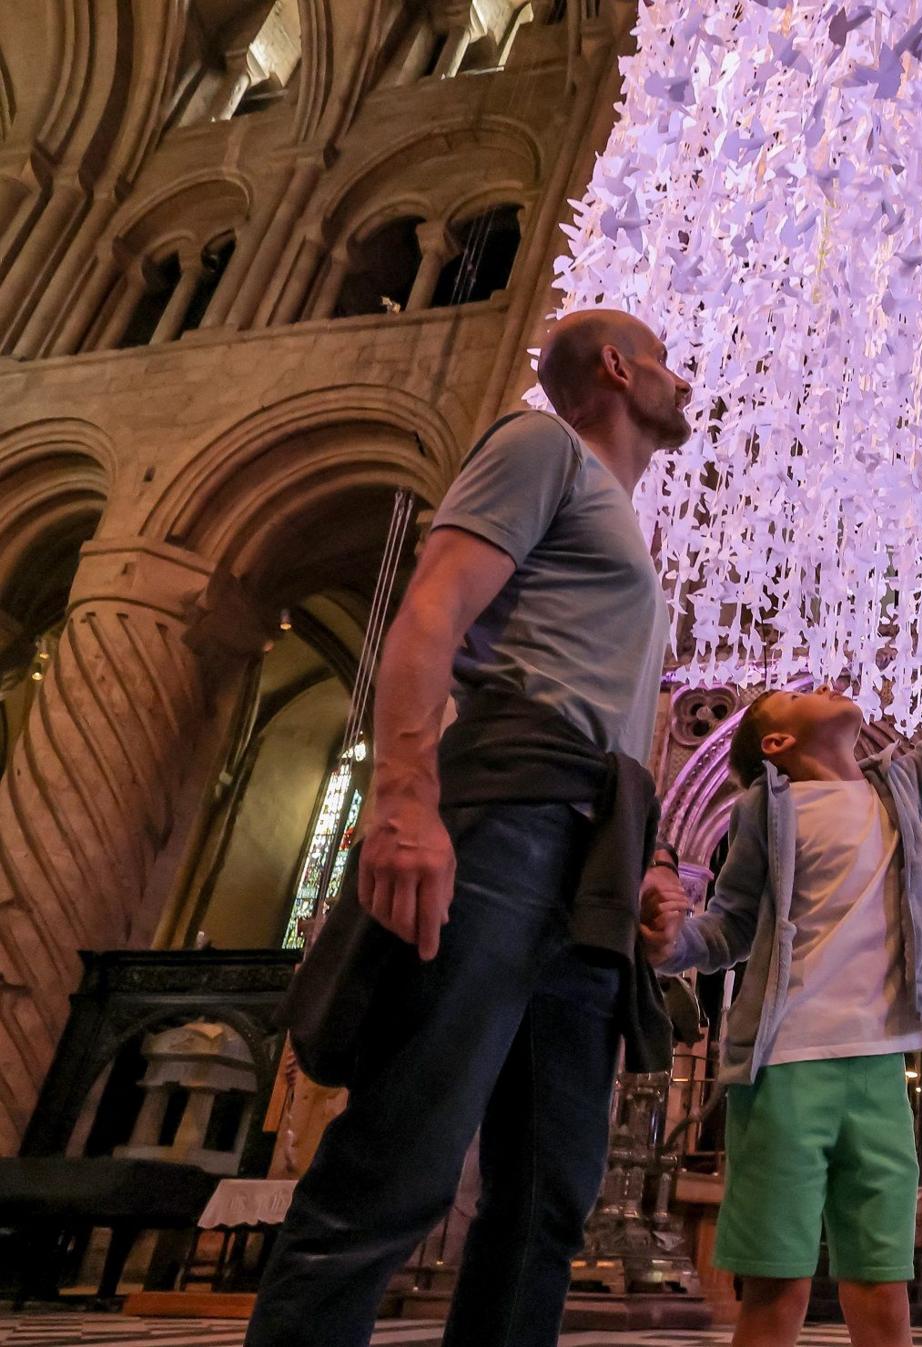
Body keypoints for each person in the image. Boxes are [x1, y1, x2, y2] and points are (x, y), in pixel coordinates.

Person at [247, 309, 692, 1347]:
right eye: (666, 363)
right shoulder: (542, 445)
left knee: (547, 1193)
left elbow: (618, 714)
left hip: (589, 859)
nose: (684, 383)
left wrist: (654, 857)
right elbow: (432, 611)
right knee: (400, 1160)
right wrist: (400, 798)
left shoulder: (624, 530)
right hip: (511, 823)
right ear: (618, 370)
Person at [641, 556, 922, 1347]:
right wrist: (671, 941)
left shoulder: (898, 786)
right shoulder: (762, 812)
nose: (825, 683)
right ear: (777, 738)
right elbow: (727, 930)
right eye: (801, 694)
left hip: (879, 1066)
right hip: (786, 1066)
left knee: (882, 1286)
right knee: (777, 1286)